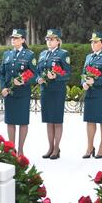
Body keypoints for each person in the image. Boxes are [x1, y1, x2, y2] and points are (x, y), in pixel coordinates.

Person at [0, 28, 37, 155]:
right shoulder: (7, 54)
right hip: (9, 94)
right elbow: (2, 74)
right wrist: (3, 88)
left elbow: (34, 74)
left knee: (22, 122)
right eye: (12, 38)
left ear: (23, 40)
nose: (13, 40)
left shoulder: (29, 55)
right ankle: (12, 149)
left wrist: (23, 81)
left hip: (22, 94)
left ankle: (20, 150)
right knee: (10, 121)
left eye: (16, 38)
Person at [37, 28, 71, 159]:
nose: (49, 41)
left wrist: (56, 76)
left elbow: (67, 73)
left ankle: (56, 149)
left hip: (57, 90)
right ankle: (50, 147)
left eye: (52, 39)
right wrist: (38, 79)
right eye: (47, 39)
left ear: (58, 41)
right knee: (48, 120)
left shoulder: (63, 54)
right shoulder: (43, 54)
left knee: (56, 120)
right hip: (45, 90)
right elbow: (38, 71)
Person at [82, 31, 102, 159]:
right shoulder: (89, 57)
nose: (93, 44)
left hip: (101, 93)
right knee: (90, 120)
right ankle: (90, 147)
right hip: (90, 92)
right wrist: (84, 83)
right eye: (92, 42)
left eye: (96, 42)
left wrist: (95, 81)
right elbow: (83, 73)